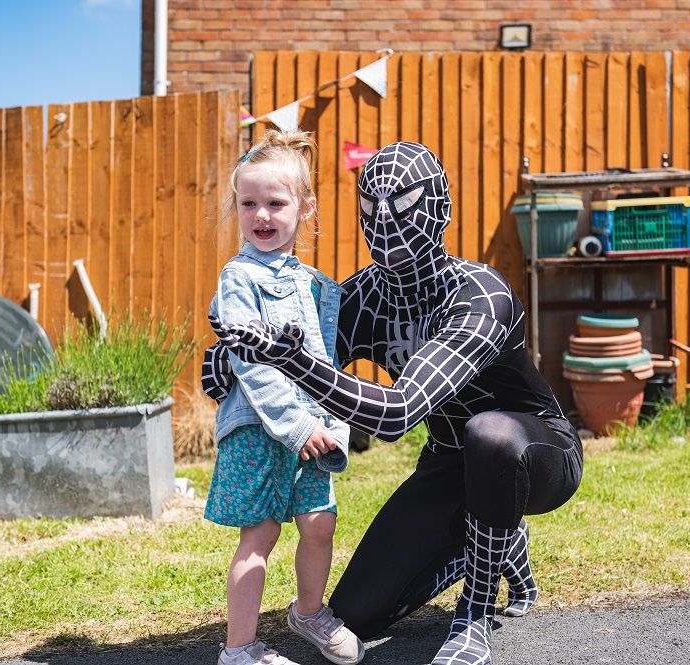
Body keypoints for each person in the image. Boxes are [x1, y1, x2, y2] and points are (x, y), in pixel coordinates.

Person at [204, 141, 583, 665]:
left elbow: (398, 412)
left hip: (536, 453)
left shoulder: (479, 293)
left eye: (402, 204)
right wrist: (232, 359)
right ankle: (492, 543)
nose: (384, 221)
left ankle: (473, 613)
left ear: (440, 210)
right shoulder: (363, 297)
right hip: (448, 461)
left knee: (490, 434)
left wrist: (294, 364)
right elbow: (295, 348)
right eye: (370, 207)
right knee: (358, 612)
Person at [205, 129, 365, 665]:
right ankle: (240, 649)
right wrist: (295, 425)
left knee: (320, 522)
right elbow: (253, 363)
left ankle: (309, 612)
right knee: (262, 533)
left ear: (305, 207)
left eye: (276, 203)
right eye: (249, 203)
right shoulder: (239, 277)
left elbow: (323, 363)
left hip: (313, 428)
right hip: (261, 426)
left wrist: (331, 420)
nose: (262, 215)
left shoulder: (319, 284)